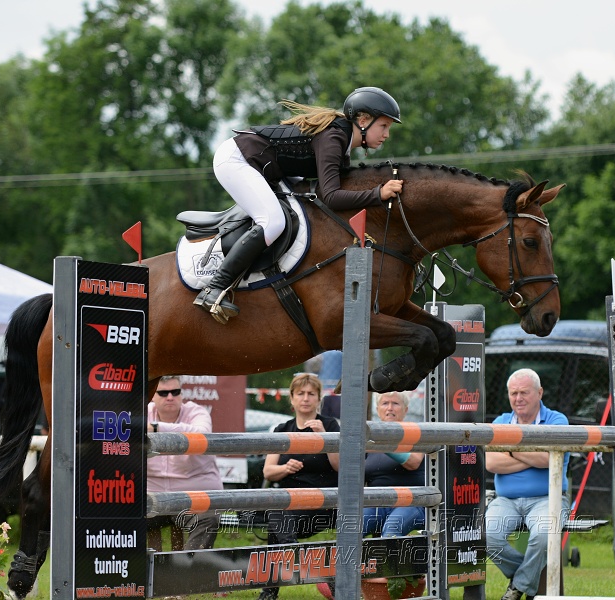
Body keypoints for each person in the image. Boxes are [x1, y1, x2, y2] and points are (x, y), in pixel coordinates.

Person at [196, 87, 404, 323]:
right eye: (384, 126)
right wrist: (379, 193)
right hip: (238, 159)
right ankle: (213, 289)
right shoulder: (334, 137)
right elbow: (332, 196)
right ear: (363, 120)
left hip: (267, 167)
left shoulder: (342, 143)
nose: (387, 134)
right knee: (273, 222)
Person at [485, 368, 570, 600]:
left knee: (544, 535)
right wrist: (534, 455)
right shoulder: (501, 422)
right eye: (513, 393)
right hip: (506, 501)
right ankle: (523, 580)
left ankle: (517, 588)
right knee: (486, 536)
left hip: (547, 499)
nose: (518, 398)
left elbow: (550, 459)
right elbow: (491, 462)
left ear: (539, 392)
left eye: (524, 392)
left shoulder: (557, 421)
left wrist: (510, 449)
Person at [258, 373, 340, 600]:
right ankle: (299, 559)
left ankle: (270, 591)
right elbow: (268, 471)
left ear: (318, 399)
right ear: (292, 399)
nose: (305, 398)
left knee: (277, 523)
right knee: (277, 513)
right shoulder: (282, 428)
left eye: (311, 394)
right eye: (300, 394)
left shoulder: (330, 425)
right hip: (290, 503)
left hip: (323, 502)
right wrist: (286, 469)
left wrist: (325, 438)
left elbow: (340, 467)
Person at [146, 375, 223, 551]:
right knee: (118, 517)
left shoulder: (197, 411)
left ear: (182, 394)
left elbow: (201, 434)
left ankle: (188, 571)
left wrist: (157, 428)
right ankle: (130, 570)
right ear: (152, 395)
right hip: (152, 496)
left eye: (175, 392)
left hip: (192, 496)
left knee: (208, 520)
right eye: (163, 393)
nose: (170, 397)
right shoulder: (141, 411)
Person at [363, 391, 426, 537]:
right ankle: (352, 560)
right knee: (352, 527)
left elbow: (414, 462)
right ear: (377, 409)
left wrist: (383, 444)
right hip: (377, 502)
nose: (390, 408)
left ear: (406, 410)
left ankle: (389, 560)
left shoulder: (415, 432)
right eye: (385, 403)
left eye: (395, 403)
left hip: (411, 502)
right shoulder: (369, 437)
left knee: (392, 527)